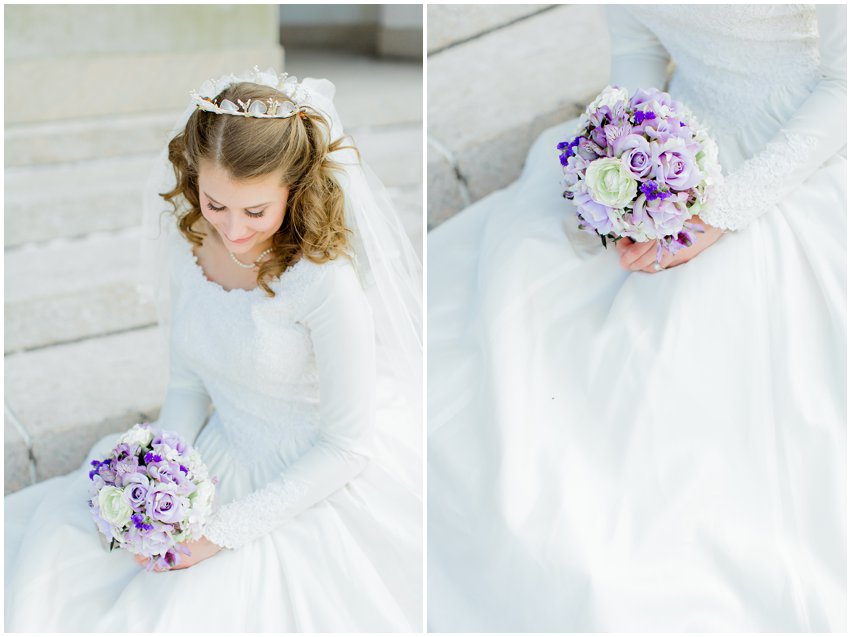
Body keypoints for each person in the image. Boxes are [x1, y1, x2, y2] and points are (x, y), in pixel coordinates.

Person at [427, 5, 845, 632]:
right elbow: (638, 45)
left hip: (806, 153)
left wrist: (724, 212)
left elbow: (846, 85)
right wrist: (626, 166)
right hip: (683, 145)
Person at [5, 67, 422, 632]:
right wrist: (160, 481)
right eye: (214, 202)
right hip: (217, 454)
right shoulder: (191, 243)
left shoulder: (325, 283)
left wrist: (218, 534)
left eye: (256, 211)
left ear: (294, 191)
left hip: (310, 479)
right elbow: (187, 383)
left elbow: (346, 449)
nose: (232, 229)